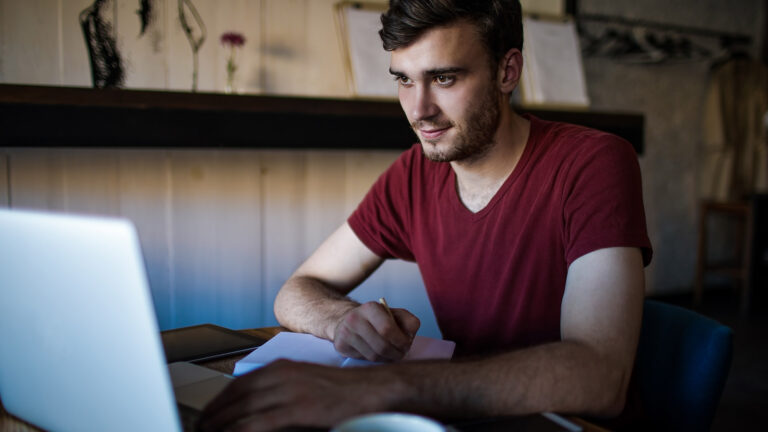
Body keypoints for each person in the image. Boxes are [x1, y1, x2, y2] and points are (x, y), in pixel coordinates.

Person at [199, 0, 652, 430]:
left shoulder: (593, 163)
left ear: (506, 71)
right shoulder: (413, 175)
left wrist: (376, 389)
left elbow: (599, 376)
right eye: (404, 80)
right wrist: (342, 321)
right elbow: (296, 291)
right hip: (468, 418)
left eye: (445, 78)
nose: (419, 111)